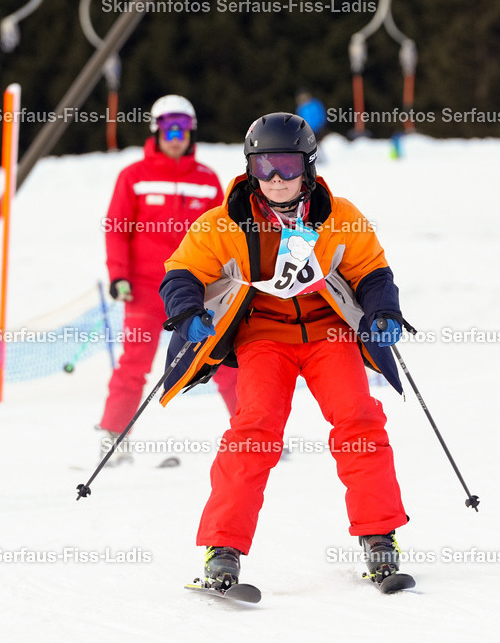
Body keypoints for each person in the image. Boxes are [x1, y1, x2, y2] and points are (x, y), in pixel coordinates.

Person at [158, 112, 410, 589]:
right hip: (264, 335)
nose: (275, 178)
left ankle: (379, 535)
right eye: (264, 166)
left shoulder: (339, 217)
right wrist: (187, 311)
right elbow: (182, 272)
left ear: (308, 167)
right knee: (254, 430)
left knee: (359, 419)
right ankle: (222, 548)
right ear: (250, 168)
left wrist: (383, 312)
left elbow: (373, 273)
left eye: (288, 166)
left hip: (328, 332)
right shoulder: (227, 222)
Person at [98, 94, 238, 464]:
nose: (176, 137)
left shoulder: (206, 179)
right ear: (156, 130)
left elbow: (221, 233)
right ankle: (113, 440)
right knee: (134, 364)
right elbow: (117, 229)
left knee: (222, 358)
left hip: (196, 289)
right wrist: (119, 276)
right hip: (145, 288)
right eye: (168, 129)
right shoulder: (134, 176)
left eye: (183, 129)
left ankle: (254, 432)